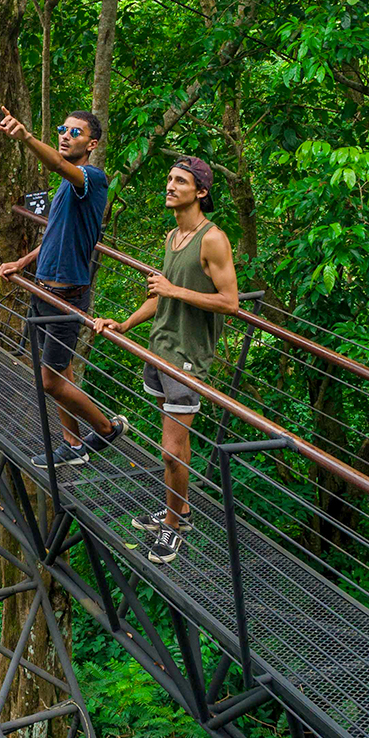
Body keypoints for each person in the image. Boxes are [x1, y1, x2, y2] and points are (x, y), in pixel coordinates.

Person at [93, 157, 238, 563]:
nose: (170, 186)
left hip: (188, 357)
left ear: (201, 192)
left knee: (171, 450)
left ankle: (174, 528)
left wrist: (174, 291)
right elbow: (160, 295)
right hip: (159, 348)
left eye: (180, 181)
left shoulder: (213, 239)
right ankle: (180, 507)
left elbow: (230, 303)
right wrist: (125, 324)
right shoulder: (174, 235)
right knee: (175, 447)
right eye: (170, 179)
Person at [0, 107, 128, 468]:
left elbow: (56, 165)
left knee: (51, 382)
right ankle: (71, 445)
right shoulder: (66, 188)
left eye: (75, 132)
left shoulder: (91, 179)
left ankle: (106, 430)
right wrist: (22, 263)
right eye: (63, 129)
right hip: (43, 290)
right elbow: (54, 234)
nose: (66, 135)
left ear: (92, 144)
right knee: (61, 372)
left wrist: (26, 138)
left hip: (66, 297)